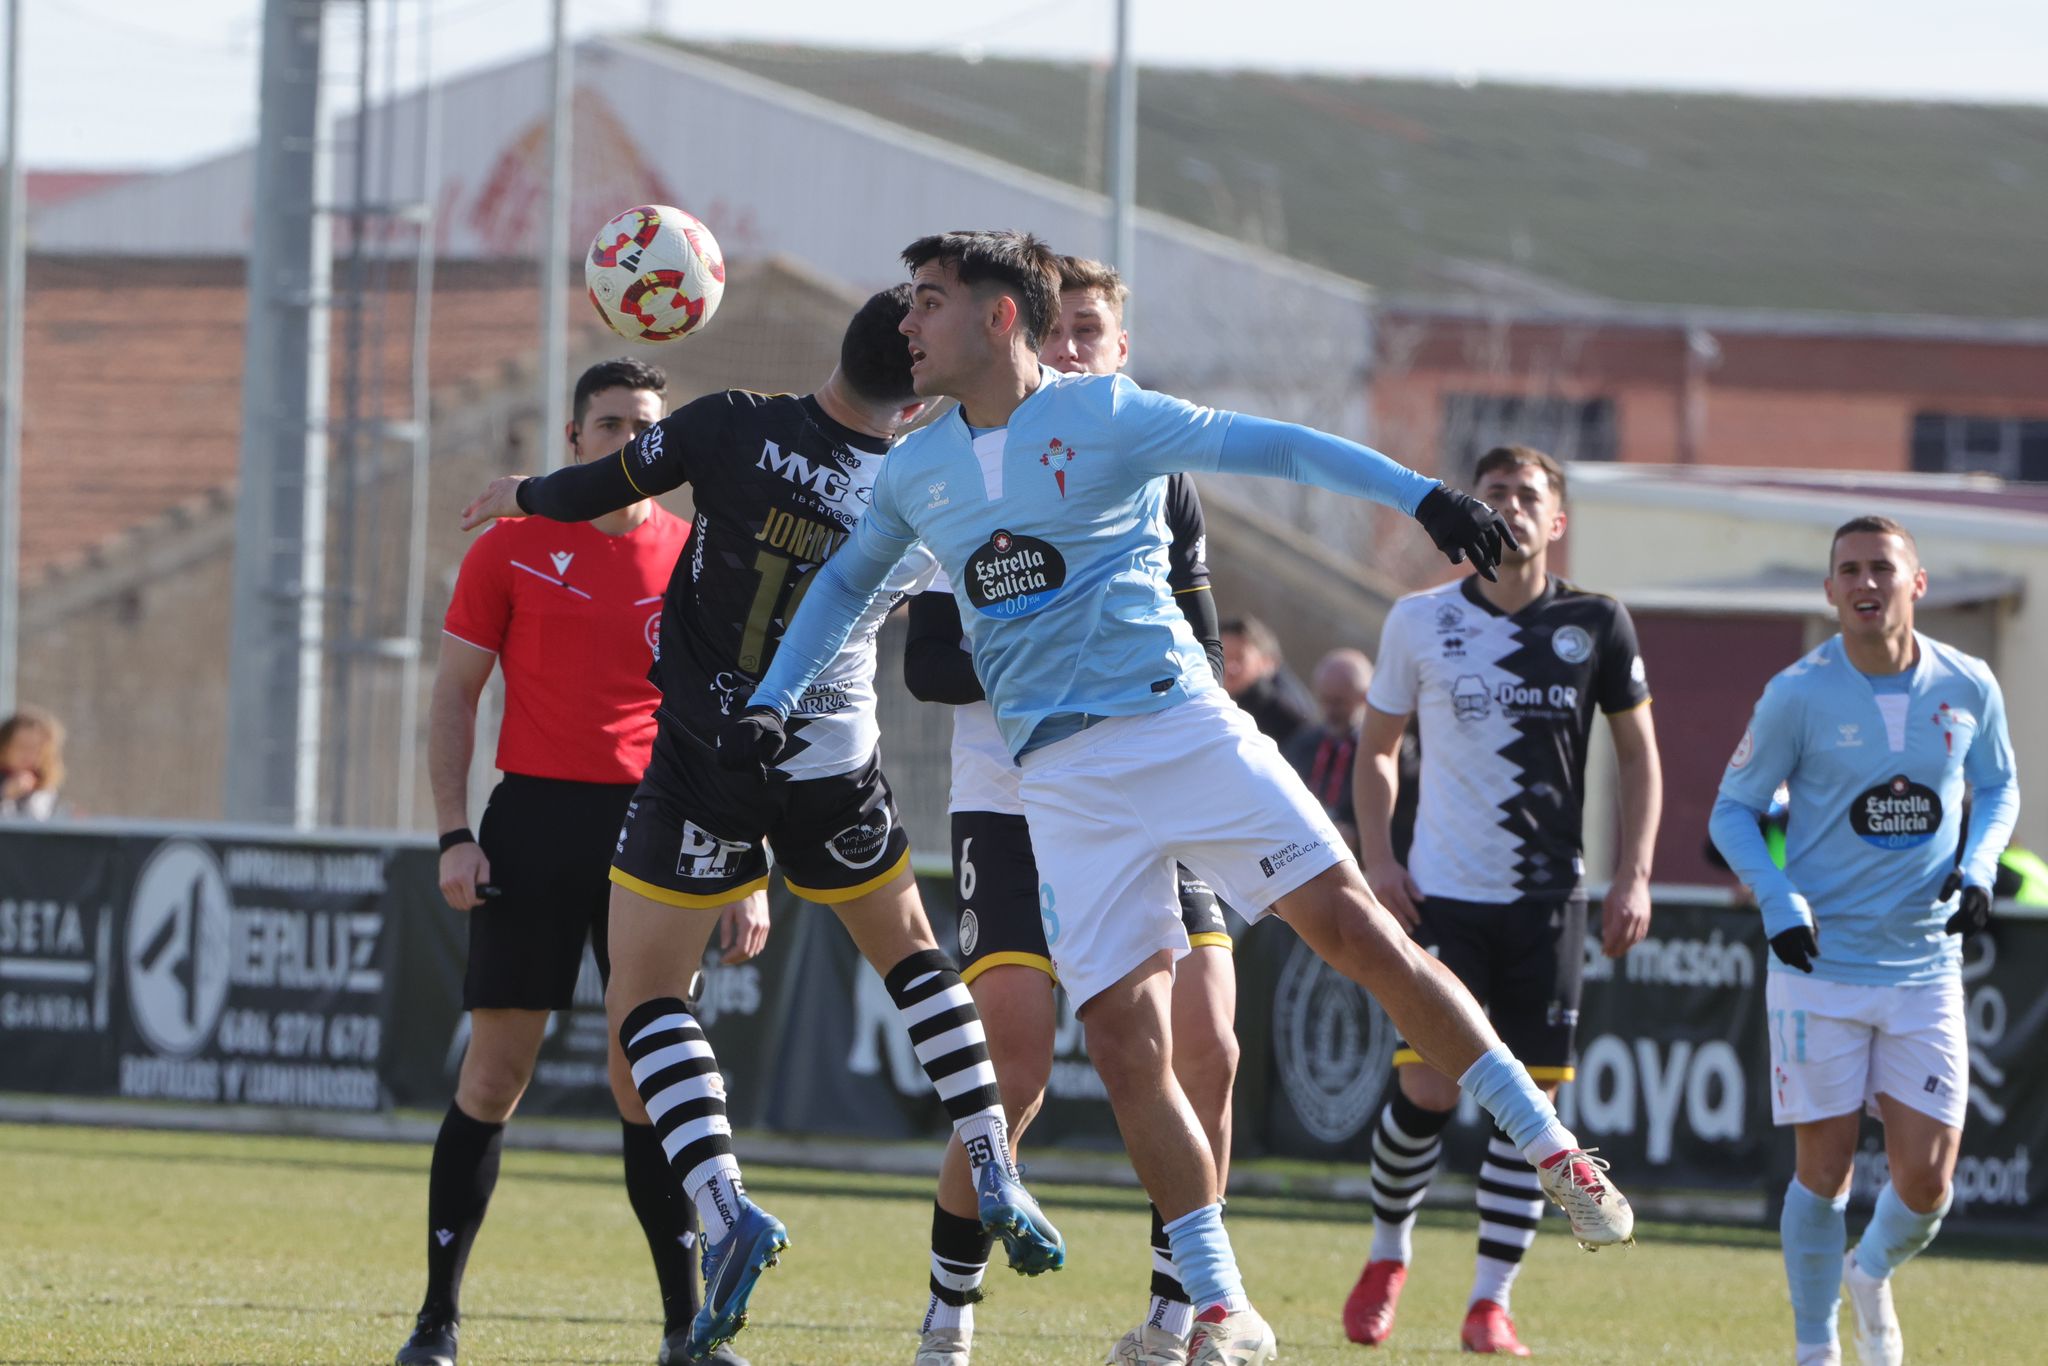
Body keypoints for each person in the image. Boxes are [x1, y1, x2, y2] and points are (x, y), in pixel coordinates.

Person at [721, 230, 1635, 1366]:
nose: (904, 323)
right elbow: (846, 582)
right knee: (1116, 1042)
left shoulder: (1103, 415)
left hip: (1179, 727)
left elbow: (1277, 449)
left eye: (927, 301)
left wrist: (1425, 499)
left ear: (1000, 317)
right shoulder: (917, 466)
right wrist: (771, 697)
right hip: (1059, 781)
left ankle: (1548, 1145)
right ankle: (1217, 1301)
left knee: (1353, 931)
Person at [454, 288, 1064, 1363]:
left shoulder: (730, 423)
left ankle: (727, 1206)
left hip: (701, 761)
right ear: (916, 379)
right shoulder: (925, 486)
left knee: (645, 996)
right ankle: (990, 1152)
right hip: (830, 764)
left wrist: (525, 492)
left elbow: (601, 487)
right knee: (915, 957)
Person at [899, 255, 1241, 1366]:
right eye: (1065, 331)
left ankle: (1180, 1313)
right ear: (1031, 338)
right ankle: (948, 1314)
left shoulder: (1152, 470)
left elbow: (1206, 639)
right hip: (1011, 798)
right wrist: (1050, 650)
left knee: (1208, 1046)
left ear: (1120, 349)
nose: (1078, 350)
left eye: (1096, 331)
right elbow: (931, 665)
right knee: (1016, 1065)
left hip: (1147, 782)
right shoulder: (967, 469)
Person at [398, 358, 768, 1366]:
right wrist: (453, 830)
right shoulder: (513, 544)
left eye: (643, 427)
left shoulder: (699, 556)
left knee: (643, 1082)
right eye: (606, 424)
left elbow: (733, 719)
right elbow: (453, 697)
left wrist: (744, 872)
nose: (625, 442)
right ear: (571, 443)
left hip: (657, 831)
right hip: (531, 824)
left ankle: (684, 1329)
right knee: (494, 1074)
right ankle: (437, 1318)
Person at [1342, 444, 1662, 1356]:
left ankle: (1491, 1300)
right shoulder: (1418, 619)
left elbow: (1639, 756)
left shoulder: (1598, 622)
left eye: (1529, 496)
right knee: (1428, 1088)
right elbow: (1375, 750)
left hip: (1549, 902)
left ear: (1557, 520)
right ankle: (1387, 1254)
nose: (1511, 509)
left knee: (1537, 1106)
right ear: (1471, 511)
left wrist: (1632, 873)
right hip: (1440, 894)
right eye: (1495, 495)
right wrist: (1379, 860)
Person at [1710, 515, 2016, 1366]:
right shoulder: (1796, 693)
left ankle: (1870, 1270)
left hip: (1924, 964)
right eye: (1848, 570)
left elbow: (1998, 787)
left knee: (1927, 1182)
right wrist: (1777, 899)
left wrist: (1981, 866)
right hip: (1820, 967)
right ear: (1830, 590)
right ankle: (1817, 1352)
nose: (1864, 582)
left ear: (1917, 584)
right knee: (1826, 1173)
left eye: (1882, 567)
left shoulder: (1970, 685)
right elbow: (1731, 811)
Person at [1283, 648, 1374, 851]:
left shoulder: (1389, 755)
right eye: (1325, 700)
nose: (1330, 711)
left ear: (1365, 698)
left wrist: (1356, 835)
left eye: (1340, 703)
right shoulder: (1303, 744)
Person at [1220, 615, 1316, 749]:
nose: (1229, 667)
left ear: (1267, 664)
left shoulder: (1285, 713)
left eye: (1239, 659)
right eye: (1222, 657)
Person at [0, 707, 67, 820]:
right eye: (21, 746)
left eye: (37, 749)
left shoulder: (45, 784)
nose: (28, 754)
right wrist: (4, 793)